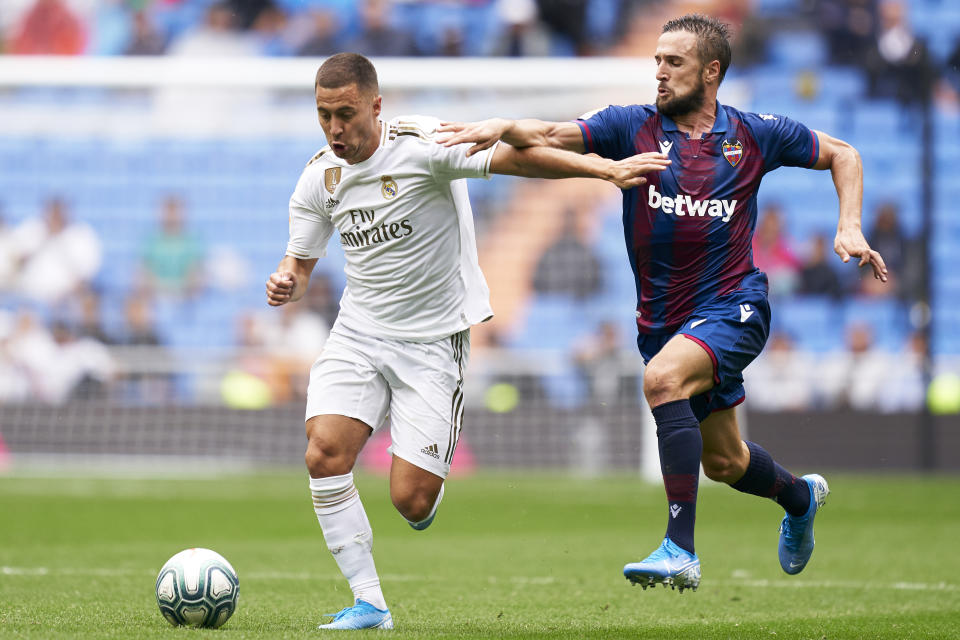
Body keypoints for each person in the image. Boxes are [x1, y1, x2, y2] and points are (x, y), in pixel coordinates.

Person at [439, 13, 887, 593]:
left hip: (735, 306)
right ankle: (800, 499)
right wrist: (503, 124)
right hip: (664, 320)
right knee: (723, 462)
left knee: (661, 381)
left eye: (673, 62)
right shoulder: (632, 127)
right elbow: (547, 137)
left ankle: (680, 549)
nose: (660, 72)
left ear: (711, 71)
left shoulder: (755, 134)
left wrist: (848, 226)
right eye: (656, 60)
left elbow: (844, 154)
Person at [264, 52, 667, 630]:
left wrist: (604, 172)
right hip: (359, 332)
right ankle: (369, 602)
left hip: (432, 341)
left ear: (375, 107)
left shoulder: (425, 144)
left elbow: (518, 161)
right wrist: (287, 281)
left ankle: (428, 475)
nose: (334, 129)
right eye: (324, 115)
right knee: (323, 453)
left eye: (345, 114)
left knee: (412, 501)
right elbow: (299, 265)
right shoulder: (317, 177)